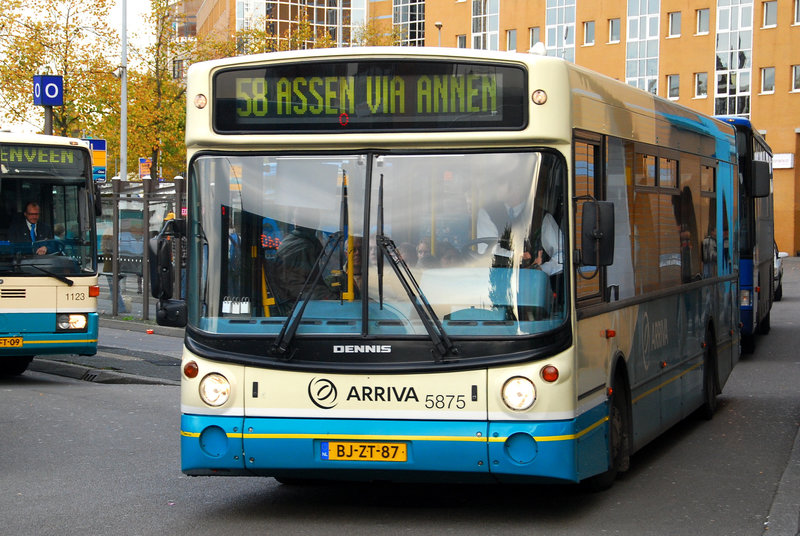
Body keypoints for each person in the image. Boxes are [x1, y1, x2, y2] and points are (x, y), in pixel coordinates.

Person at [101, 233, 128, 314]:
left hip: (108, 271)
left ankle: (119, 307)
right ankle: (120, 307)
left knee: (114, 290)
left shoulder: (106, 249)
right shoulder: (114, 251)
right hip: (113, 271)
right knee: (115, 290)